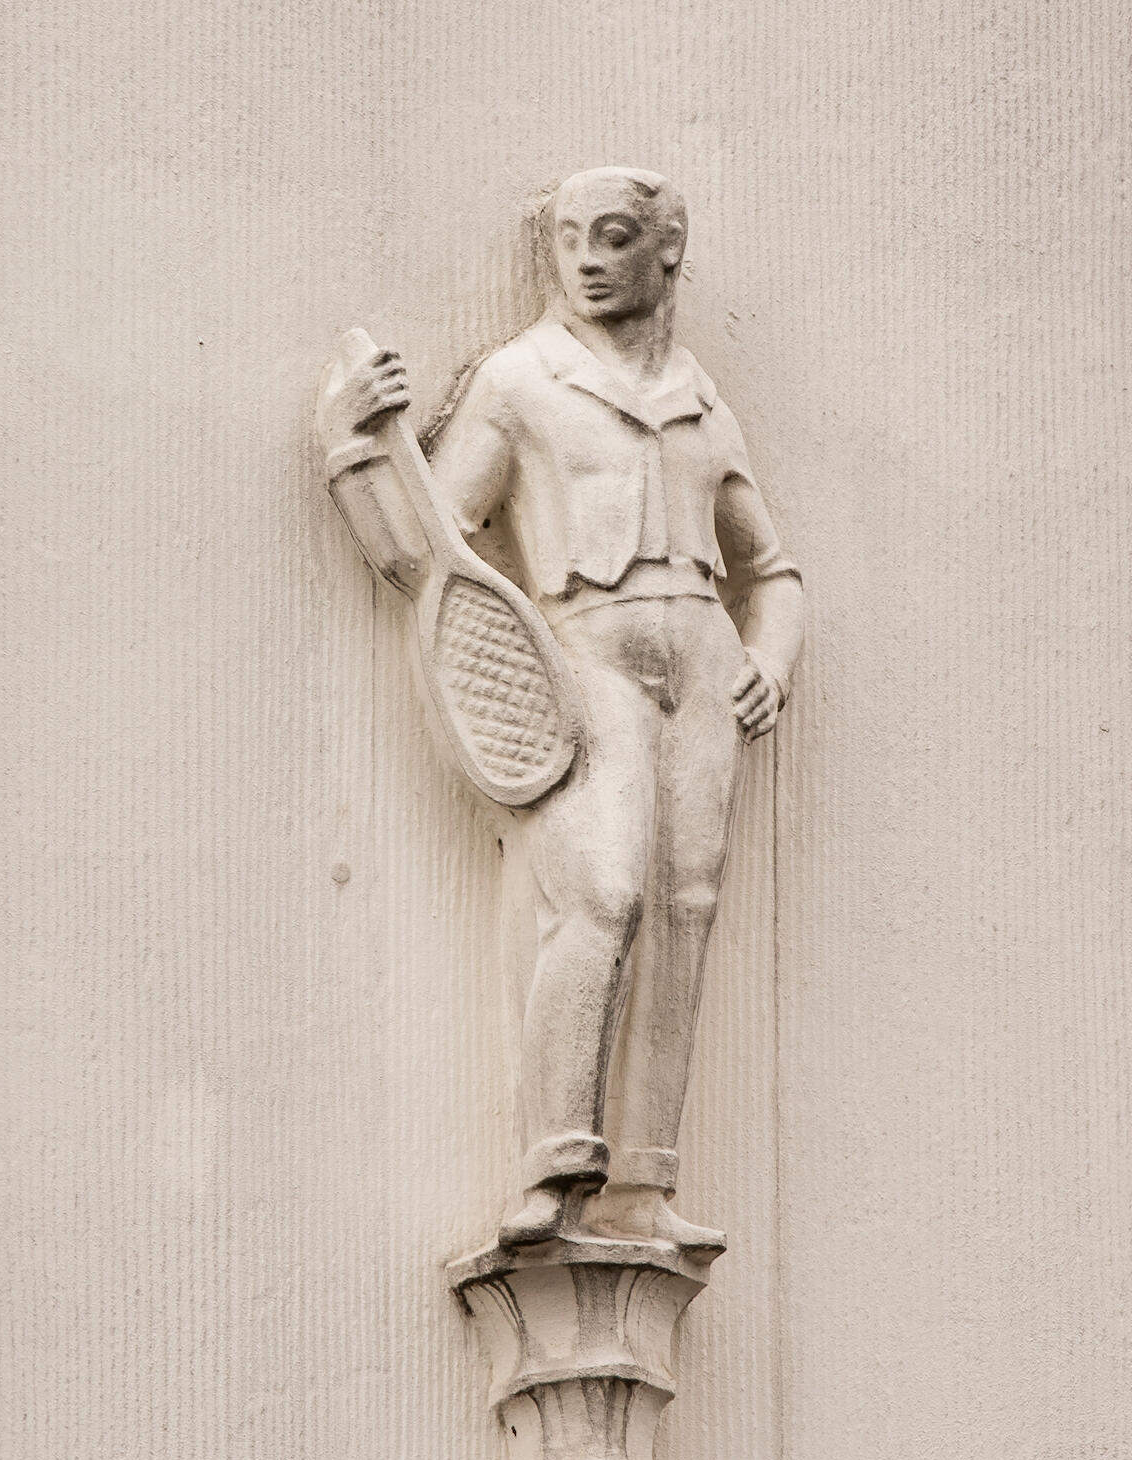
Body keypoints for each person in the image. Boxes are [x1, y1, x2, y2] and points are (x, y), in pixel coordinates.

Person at [322, 166, 803, 1251]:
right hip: (586, 655)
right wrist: (356, 445)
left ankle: (645, 1182)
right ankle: (555, 1162)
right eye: (572, 237)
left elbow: (770, 569)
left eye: (615, 236)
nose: (587, 258)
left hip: (701, 662)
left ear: (665, 249)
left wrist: (767, 658)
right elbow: (431, 547)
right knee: (605, 890)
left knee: (686, 904)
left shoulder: (698, 397)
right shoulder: (520, 380)